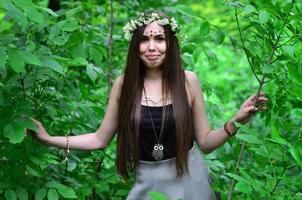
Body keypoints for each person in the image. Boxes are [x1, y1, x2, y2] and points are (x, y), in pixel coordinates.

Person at [25, 11, 268, 200]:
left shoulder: (188, 81)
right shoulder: (123, 85)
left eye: (159, 39)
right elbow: (99, 139)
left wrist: (238, 120)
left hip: (190, 178)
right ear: (135, 46)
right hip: (147, 181)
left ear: (170, 43)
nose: (152, 47)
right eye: (144, 40)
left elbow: (205, 143)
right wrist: (50, 139)